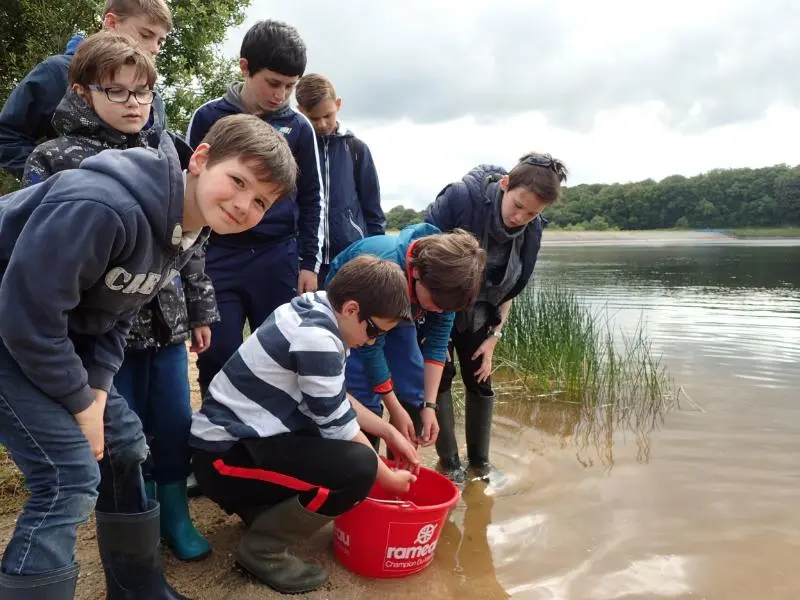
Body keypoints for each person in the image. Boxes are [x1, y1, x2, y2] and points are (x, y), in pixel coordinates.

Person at [0, 113, 296, 599]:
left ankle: (135, 588)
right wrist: (79, 404)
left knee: (126, 443)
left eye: (261, 200)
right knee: (68, 478)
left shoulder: (184, 228)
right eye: (238, 181)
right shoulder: (105, 205)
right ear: (200, 159)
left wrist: (96, 392)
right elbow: (26, 316)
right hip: (14, 324)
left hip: (43, 331)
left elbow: (115, 316)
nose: (244, 205)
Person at [21, 30, 215, 561]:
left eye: (144, 92)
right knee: (116, 435)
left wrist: (200, 307)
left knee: (173, 419)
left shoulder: (166, 150)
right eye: (119, 92)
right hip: (97, 330)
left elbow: (193, 243)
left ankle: (174, 511)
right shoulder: (53, 158)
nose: (135, 104)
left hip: (165, 316)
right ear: (84, 92)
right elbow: (45, 260)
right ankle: (133, 524)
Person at [190, 255, 420, 594]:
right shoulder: (319, 340)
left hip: (239, 444)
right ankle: (262, 550)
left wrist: (388, 431)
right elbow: (338, 426)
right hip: (223, 459)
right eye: (373, 331)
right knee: (359, 468)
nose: (371, 342)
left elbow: (333, 396)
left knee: (355, 451)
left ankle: (261, 510)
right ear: (352, 308)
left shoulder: (317, 307)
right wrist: (386, 478)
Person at [186, 19, 325, 397]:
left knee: (281, 354)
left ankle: (271, 438)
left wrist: (309, 263)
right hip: (219, 255)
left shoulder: (299, 128)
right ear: (245, 67)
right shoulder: (208, 117)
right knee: (218, 351)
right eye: (274, 83)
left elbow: (313, 197)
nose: (281, 95)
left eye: (291, 87)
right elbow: (188, 187)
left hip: (277, 255)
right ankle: (215, 439)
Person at [424, 153, 569, 479]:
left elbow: (510, 289)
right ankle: (449, 466)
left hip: (481, 312)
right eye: (518, 205)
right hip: (437, 306)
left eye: (532, 213)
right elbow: (419, 255)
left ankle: (480, 465)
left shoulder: (532, 230)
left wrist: (494, 338)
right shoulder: (461, 199)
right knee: (440, 378)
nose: (521, 217)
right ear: (505, 185)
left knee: (481, 380)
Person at [325, 223, 487, 452]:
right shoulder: (388, 267)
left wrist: (429, 405)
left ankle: (400, 459)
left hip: (403, 309)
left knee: (414, 386)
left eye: (446, 308)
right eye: (437, 305)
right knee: (364, 391)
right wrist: (393, 407)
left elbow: (437, 343)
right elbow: (371, 347)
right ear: (418, 273)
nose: (439, 311)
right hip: (356, 318)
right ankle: (365, 460)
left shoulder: (448, 281)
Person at [0, 0, 172, 179]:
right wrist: (49, 178)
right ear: (111, 23)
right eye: (145, 35)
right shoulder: (56, 73)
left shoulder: (154, 100)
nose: (154, 49)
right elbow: (7, 135)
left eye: (160, 41)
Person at [295, 73, 385, 283]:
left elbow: (373, 210)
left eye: (328, 115)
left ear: (338, 104)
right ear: (300, 111)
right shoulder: (296, 148)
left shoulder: (357, 149)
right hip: (304, 261)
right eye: (314, 118)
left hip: (350, 258)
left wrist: (373, 255)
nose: (322, 124)